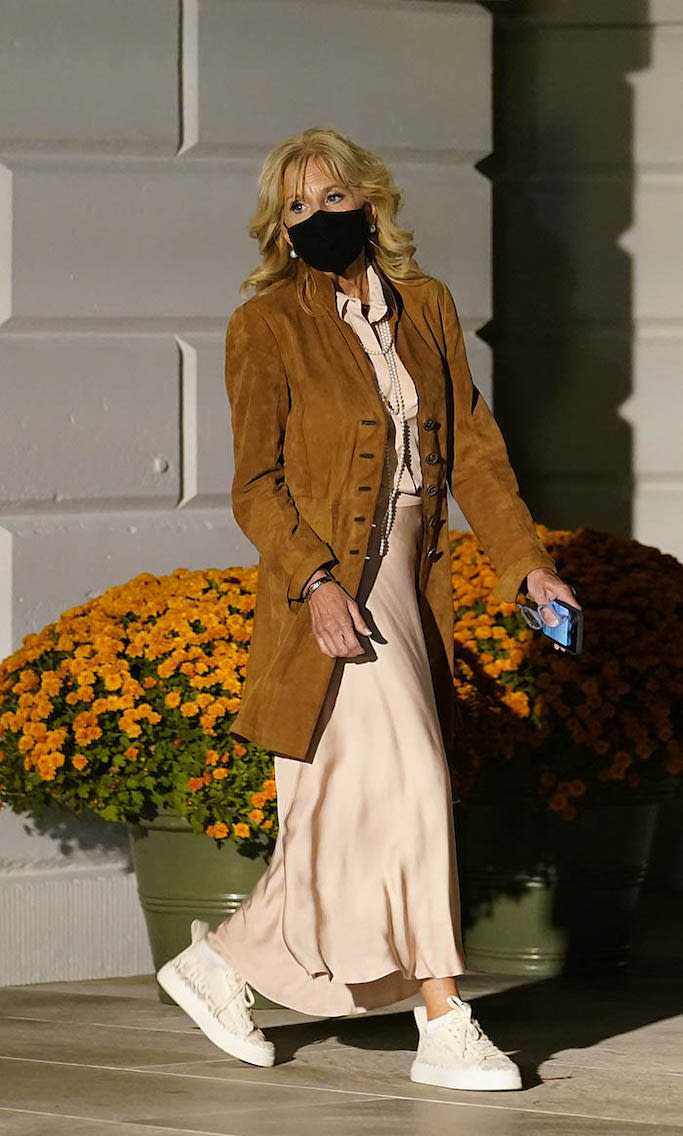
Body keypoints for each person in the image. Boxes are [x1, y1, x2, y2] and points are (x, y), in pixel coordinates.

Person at [157, 127, 581, 1092]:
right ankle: (443, 1017)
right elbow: (254, 485)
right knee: (415, 779)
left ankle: (221, 964)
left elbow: (473, 451)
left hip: (409, 579)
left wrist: (526, 567)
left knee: (349, 809)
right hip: (330, 587)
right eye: (294, 208)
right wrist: (313, 583)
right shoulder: (264, 324)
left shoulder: (425, 308)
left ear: (371, 204)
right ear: (278, 228)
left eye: (329, 198)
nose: (314, 219)